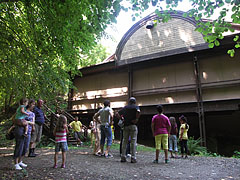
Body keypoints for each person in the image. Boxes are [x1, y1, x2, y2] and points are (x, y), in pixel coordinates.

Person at [13, 100, 35, 170]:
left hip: (27, 131)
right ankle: (16, 163)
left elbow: (33, 123)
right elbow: (14, 119)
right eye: (33, 104)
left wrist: (27, 122)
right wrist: (22, 122)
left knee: (25, 147)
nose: (33, 106)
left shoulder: (32, 113)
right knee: (19, 146)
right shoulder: (21, 110)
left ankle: (20, 161)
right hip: (19, 130)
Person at [117, 97, 140, 163]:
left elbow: (117, 114)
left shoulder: (125, 108)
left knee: (124, 141)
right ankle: (133, 157)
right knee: (133, 141)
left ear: (129, 101)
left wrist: (122, 119)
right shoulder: (136, 107)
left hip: (126, 125)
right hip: (133, 125)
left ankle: (123, 156)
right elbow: (138, 112)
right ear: (135, 102)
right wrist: (136, 119)